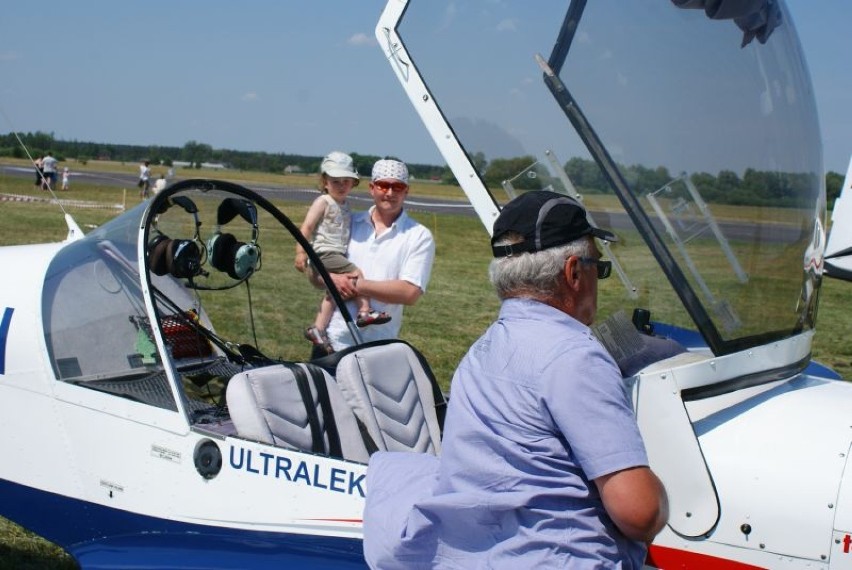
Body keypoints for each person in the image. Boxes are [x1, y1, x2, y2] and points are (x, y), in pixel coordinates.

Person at [363, 191, 668, 569]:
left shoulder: (482, 350)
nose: (597, 280)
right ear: (573, 272)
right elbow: (640, 514)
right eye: (598, 268)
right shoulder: (577, 356)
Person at [324, 158, 435, 351]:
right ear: (372, 188)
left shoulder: (419, 235)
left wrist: (353, 284)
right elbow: (314, 268)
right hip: (331, 339)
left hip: (377, 348)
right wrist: (331, 278)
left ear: (406, 191)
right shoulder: (347, 223)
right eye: (383, 186)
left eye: (398, 187)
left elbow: (410, 293)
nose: (390, 193)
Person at [294, 151, 391, 353]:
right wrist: (301, 253)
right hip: (325, 252)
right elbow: (307, 227)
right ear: (325, 181)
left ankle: (318, 329)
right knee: (357, 274)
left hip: (335, 254)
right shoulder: (323, 201)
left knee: (336, 290)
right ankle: (365, 311)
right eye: (336, 181)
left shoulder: (345, 205)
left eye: (346, 181)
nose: (341, 185)